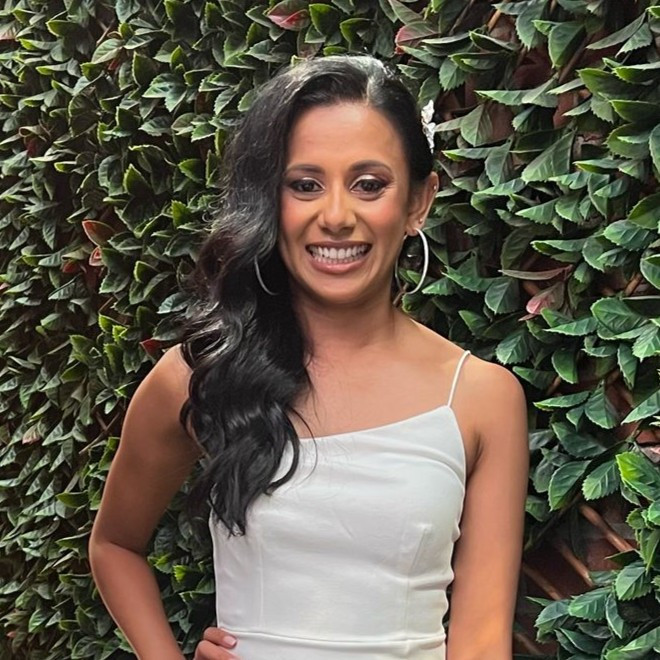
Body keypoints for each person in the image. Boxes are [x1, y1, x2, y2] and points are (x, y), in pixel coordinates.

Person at [89, 54, 529, 660]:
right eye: (305, 185)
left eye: (369, 184)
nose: (336, 217)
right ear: (270, 200)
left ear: (418, 202)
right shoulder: (202, 375)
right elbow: (114, 544)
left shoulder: (482, 398)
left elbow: (481, 642)